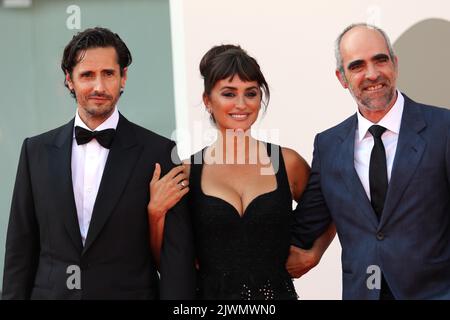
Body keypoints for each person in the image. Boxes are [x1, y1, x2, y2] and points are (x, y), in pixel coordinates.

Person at [2, 27, 195, 299]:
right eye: (87, 75)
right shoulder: (35, 151)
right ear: (69, 80)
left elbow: (177, 257)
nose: (99, 87)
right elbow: (19, 251)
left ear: (123, 77)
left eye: (108, 74)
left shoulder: (160, 152)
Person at [148, 44, 336, 300]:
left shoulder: (287, 162)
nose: (241, 104)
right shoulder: (188, 171)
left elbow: (336, 205)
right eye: (228, 94)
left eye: (251, 93)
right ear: (208, 101)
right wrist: (155, 213)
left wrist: (316, 252)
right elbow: (168, 264)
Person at [290, 23, 450, 299]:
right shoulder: (328, 146)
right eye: (357, 66)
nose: (372, 74)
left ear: (395, 64)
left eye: (380, 60)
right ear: (342, 78)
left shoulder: (443, 128)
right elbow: (306, 225)